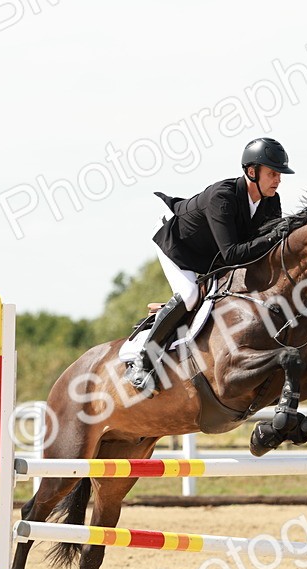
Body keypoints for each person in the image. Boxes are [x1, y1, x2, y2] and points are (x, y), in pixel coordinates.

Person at [126, 137, 294, 392]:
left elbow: (264, 251)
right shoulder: (222, 197)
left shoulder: (272, 201)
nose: (278, 180)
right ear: (251, 171)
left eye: (279, 174)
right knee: (190, 294)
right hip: (179, 246)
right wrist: (276, 234)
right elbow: (233, 254)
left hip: (211, 256)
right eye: (272, 173)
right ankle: (142, 361)